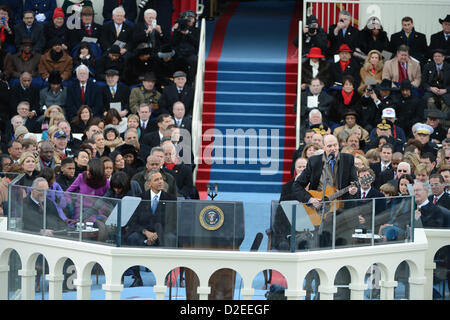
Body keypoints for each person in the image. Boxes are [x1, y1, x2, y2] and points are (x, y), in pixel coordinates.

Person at [123, 169, 177, 286]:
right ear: (149, 184)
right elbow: (133, 222)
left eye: (161, 179)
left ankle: (165, 276)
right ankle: (137, 277)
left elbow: (171, 222)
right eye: (156, 180)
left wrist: (157, 234)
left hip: (162, 233)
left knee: (171, 238)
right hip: (143, 232)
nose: (160, 182)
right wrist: (146, 232)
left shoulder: (171, 199)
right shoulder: (140, 198)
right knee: (132, 238)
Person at [66, 158, 111, 241]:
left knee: (105, 226)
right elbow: (68, 192)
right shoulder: (81, 177)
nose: (88, 172)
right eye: (87, 170)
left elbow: (107, 200)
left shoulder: (106, 182)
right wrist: (70, 205)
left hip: (98, 211)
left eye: (90, 171)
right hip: (81, 211)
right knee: (95, 226)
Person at [171, 10, 199, 84]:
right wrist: (177, 31)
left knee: (194, 60)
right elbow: (173, 42)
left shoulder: (196, 30)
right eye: (188, 18)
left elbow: (197, 43)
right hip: (179, 53)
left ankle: (190, 82)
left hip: (190, 54)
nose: (190, 20)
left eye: (192, 18)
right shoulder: (178, 29)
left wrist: (188, 34)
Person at [422, 49, 450, 114]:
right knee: (429, 101)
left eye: (439, 56)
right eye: (435, 56)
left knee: (446, 101)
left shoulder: (448, 67)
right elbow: (423, 82)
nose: (436, 58)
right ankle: (432, 119)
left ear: (443, 57)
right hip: (431, 91)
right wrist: (430, 88)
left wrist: (445, 90)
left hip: (445, 91)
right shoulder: (428, 66)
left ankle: (444, 121)